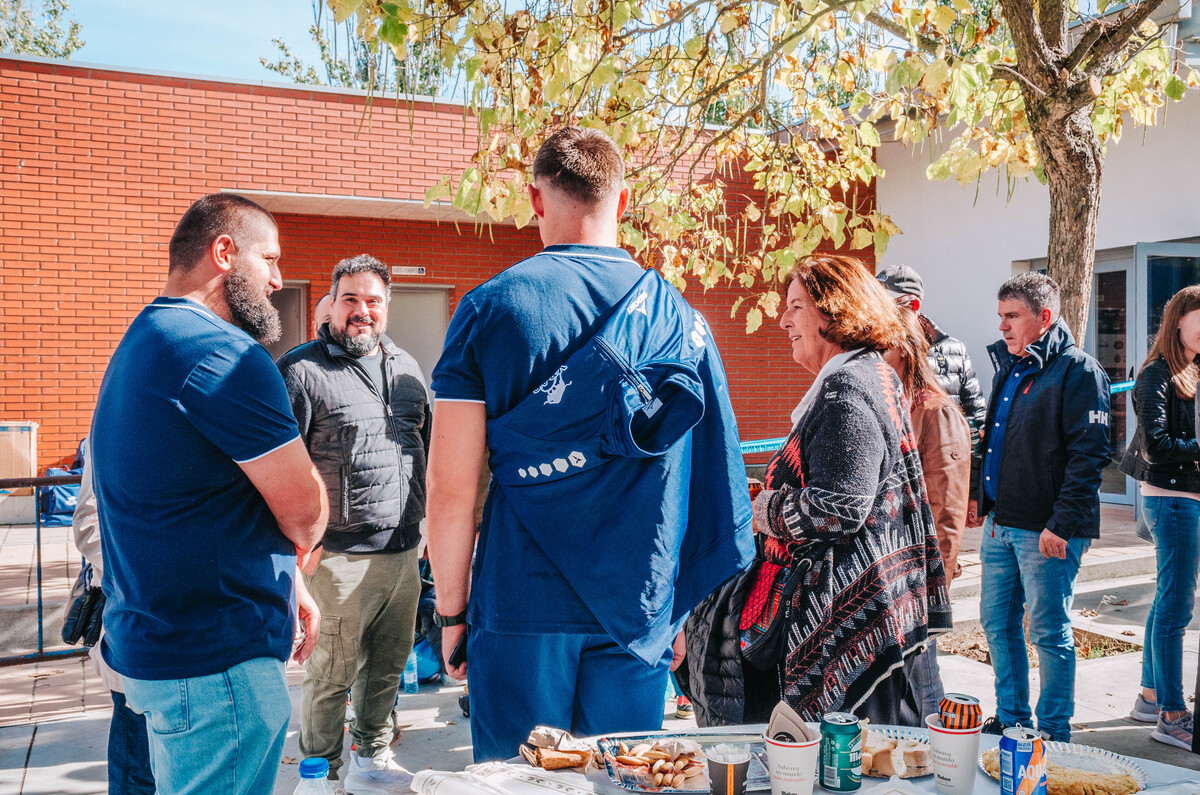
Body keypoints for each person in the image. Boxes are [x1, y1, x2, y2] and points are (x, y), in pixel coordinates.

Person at [426, 126, 754, 761]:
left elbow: (450, 489)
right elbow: (706, 476)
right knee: (621, 781)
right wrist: (677, 607)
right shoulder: (680, 320)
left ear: (536, 199)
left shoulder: (489, 310)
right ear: (623, 201)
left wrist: (452, 614)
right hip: (637, 605)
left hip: (522, 602)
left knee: (519, 782)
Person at [89, 193, 328, 795]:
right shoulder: (223, 353)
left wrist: (290, 581)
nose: (278, 279)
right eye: (269, 259)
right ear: (224, 252)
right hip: (216, 669)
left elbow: (193, 499)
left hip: (167, 652)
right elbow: (305, 513)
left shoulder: (146, 338)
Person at [747, 254, 952, 723]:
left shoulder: (846, 388)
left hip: (847, 624)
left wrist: (763, 505)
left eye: (795, 306)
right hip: (868, 613)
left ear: (833, 311)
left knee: (845, 766)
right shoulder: (869, 375)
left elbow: (838, 509)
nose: (783, 322)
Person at [278, 254, 429, 791]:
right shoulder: (302, 370)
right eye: (350, 300)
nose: (361, 311)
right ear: (333, 304)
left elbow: (423, 452)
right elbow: (281, 467)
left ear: (386, 307)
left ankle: (373, 754)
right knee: (330, 676)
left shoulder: (409, 370)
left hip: (403, 554)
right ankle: (320, 773)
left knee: (387, 668)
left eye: (372, 301)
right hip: (336, 558)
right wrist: (299, 554)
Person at [968, 272, 1110, 742]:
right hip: (1000, 525)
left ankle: (1053, 733)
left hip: (1047, 532)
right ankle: (1012, 721)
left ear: (1043, 318)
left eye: (1013, 316)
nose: (1003, 327)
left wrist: (1062, 525)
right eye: (1001, 317)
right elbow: (995, 442)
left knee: (1048, 633)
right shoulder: (1009, 367)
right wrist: (979, 498)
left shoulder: (1080, 371)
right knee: (997, 625)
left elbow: (1090, 457)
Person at [1118, 285, 1200, 750]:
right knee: (1176, 606)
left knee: (1168, 598)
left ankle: (1150, 697)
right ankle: (1171, 714)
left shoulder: (1192, 368)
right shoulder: (1156, 374)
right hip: (1171, 500)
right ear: (1180, 321)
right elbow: (1158, 447)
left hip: (1186, 498)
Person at [884, 309, 970, 721]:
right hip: (889, 577)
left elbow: (947, 510)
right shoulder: (892, 405)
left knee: (925, 690)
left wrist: (935, 582)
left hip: (918, 581)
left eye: (879, 346)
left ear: (903, 349)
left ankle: (939, 762)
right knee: (897, 690)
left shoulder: (936, 411)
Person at [71, 456, 155, 795]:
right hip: (135, 612)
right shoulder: (115, 413)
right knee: (136, 748)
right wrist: (144, 573)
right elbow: (88, 523)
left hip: (193, 623)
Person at [877, 264, 987, 451]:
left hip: (941, 465)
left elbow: (976, 421)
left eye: (887, 305)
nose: (879, 312)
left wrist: (965, 474)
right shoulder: (873, 349)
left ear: (914, 305)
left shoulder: (953, 350)